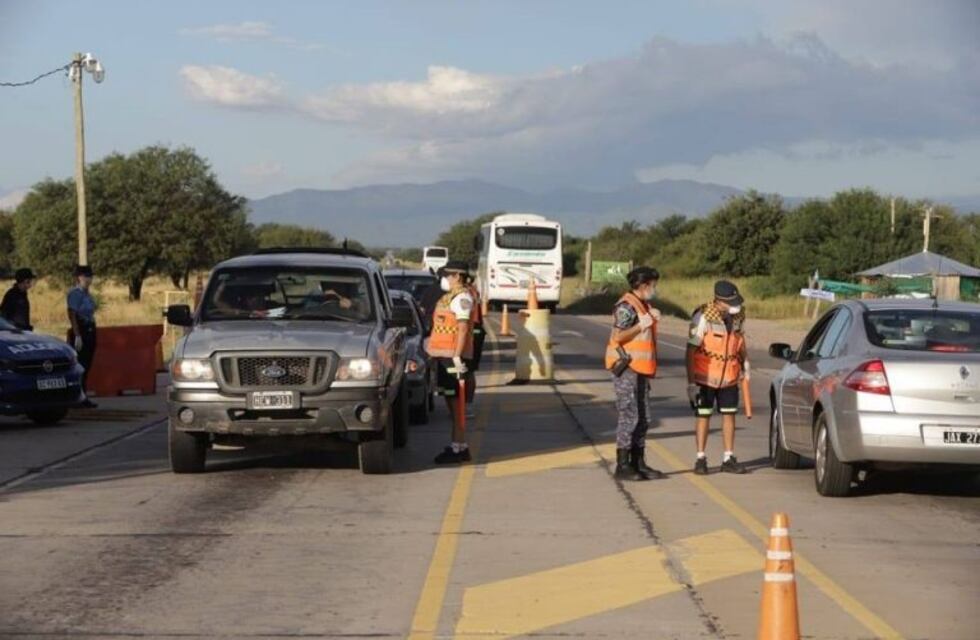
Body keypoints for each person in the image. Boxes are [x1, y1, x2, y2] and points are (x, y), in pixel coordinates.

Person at [604, 267, 665, 481]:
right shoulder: (626, 306)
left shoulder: (642, 305)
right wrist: (641, 325)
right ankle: (623, 465)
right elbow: (619, 336)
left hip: (640, 369)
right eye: (653, 285)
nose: (655, 289)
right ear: (643, 285)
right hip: (627, 368)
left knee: (644, 417)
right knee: (629, 416)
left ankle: (638, 462)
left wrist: (649, 317)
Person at [686, 280, 749, 475]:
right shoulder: (703, 316)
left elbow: (740, 340)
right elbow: (690, 350)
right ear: (719, 301)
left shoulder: (738, 316)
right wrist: (691, 383)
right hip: (706, 378)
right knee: (703, 416)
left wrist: (745, 363)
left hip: (729, 377)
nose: (735, 306)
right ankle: (700, 458)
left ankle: (728, 457)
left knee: (729, 415)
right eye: (731, 302)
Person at [425, 260, 476, 465]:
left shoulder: (462, 297)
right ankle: (459, 445)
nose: (444, 279)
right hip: (444, 357)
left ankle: (459, 449)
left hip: (453, 358)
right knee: (450, 402)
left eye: (447, 275)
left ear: (457, 276)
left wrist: (456, 356)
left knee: (457, 406)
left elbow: (462, 328)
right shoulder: (451, 296)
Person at [67, 265, 99, 408]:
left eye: (90, 276)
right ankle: (77, 397)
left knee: (87, 365)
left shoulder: (87, 294)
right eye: (85, 276)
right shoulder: (75, 293)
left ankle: (83, 396)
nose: (89, 279)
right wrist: (77, 335)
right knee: (80, 365)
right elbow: (72, 314)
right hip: (81, 330)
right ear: (78, 278)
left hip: (91, 329)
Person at [463, 273, 485, 417]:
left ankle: (466, 406)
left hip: (470, 332)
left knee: (467, 371)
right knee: (467, 371)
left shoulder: (465, 293)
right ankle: (464, 405)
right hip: (474, 330)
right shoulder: (472, 291)